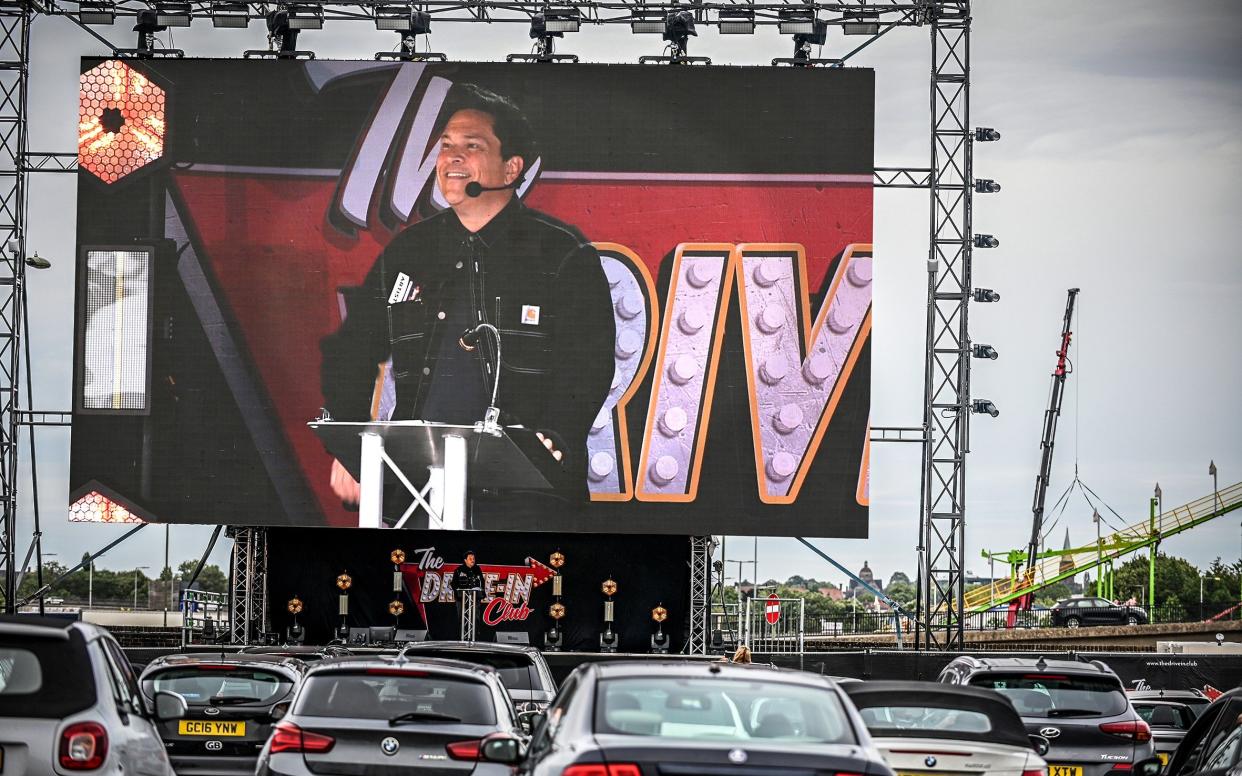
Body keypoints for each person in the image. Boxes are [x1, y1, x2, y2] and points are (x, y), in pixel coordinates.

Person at [320, 83, 615, 522]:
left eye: (471, 146)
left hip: (526, 497)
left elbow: (588, 364)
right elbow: (350, 352)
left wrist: (559, 433)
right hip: (418, 492)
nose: (451, 159)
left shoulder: (562, 253)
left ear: (511, 167)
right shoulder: (410, 251)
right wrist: (350, 448)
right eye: (446, 146)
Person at [451, 550, 485, 637]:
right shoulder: (459, 570)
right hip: (461, 599)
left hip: (475, 597)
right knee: (461, 617)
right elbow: (453, 584)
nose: (473, 560)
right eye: (470, 558)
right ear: (465, 560)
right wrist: (457, 591)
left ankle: (475, 636)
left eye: (473, 558)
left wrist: (482, 591)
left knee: (476, 617)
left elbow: (482, 581)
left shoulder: (477, 569)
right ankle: (462, 636)